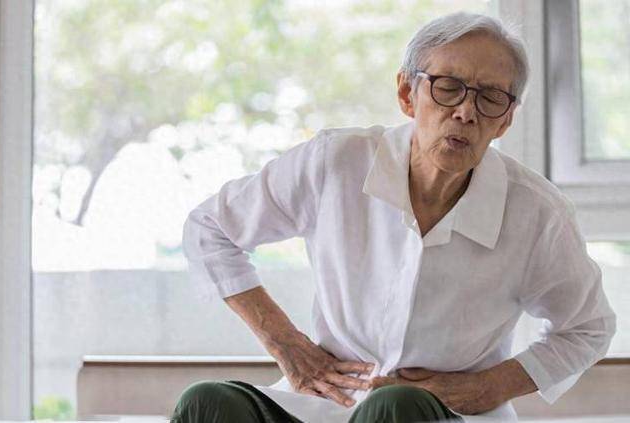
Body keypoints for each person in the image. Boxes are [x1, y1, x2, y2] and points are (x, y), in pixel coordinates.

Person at [171, 11, 616, 423]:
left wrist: (487, 386)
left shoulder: (536, 211)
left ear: (505, 121)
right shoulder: (336, 162)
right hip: (328, 403)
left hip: (443, 414)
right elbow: (210, 229)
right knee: (207, 402)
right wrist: (286, 344)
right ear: (407, 94)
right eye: (448, 87)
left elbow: (588, 327)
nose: (466, 112)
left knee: (396, 408)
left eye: (490, 98)